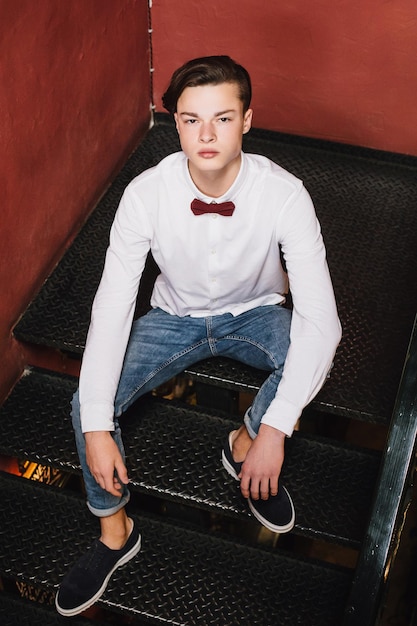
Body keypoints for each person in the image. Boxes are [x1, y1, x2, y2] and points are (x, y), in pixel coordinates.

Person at [55, 55, 341, 617]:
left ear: (248, 120)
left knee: (309, 356)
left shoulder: (286, 195)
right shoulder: (144, 194)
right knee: (85, 403)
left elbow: (322, 321)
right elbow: (112, 306)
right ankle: (117, 534)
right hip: (174, 317)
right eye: (191, 120)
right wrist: (95, 428)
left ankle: (241, 443)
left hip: (255, 312)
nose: (206, 135)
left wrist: (274, 430)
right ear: (177, 124)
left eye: (223, 119)